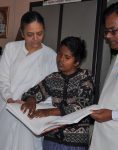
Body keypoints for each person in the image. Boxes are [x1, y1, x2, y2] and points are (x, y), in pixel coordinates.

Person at [0, 11, 57, 150]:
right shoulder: (11, 49)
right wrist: (9, 98)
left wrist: (37, 106)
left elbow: (52, 90)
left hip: (31, 115)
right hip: (8, 109)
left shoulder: (51, 56)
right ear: (22, 32)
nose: (35, 39)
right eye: (30, 34)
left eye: (40, 33)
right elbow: (2, 79)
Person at [21, 36, 94, 150]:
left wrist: (48, 112)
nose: (61, 59)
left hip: (75, 144)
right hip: (51, 139)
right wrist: (31, 100)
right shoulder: (53, 78)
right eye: (59, 54)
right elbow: (31, 92)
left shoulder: (85, 78)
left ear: (77, 62)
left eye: (67, 57)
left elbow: (81, 106)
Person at [89, 2, 118, 150]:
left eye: (113, 31)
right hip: (105, 136)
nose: (107, 36)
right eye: (106, 31)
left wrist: (112, 115)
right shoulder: (116, 57)